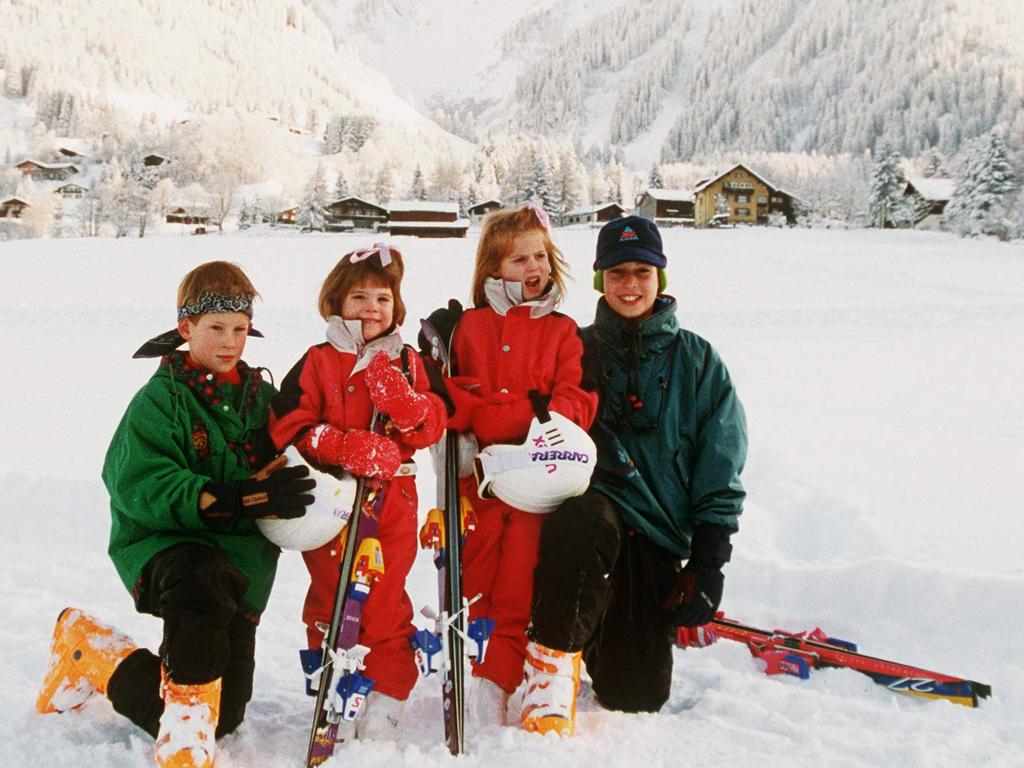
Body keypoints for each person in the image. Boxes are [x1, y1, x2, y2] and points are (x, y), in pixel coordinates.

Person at [36, 261, 316, 768]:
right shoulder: (161, 399)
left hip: (241, 566)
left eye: (240, 329)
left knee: (225, 715)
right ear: (186, 329)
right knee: (200, 581)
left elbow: (295, 447)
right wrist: (236, 496)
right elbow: (134, 482)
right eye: (215, 329)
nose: (230, 342)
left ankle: (89, 651)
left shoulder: (260, 399)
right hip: (163, 546)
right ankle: (183, 743)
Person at [520, 216, 748, 736]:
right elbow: (511, 388)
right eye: (616, 271)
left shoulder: (698, 360)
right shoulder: (573, 347)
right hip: (580, 531)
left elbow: (721, 460)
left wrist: (709, 562)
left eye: (642, 271)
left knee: (636, 695)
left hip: (655, 540)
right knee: (585, 518)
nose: (629, 284)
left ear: (659, 278)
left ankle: (605, 626)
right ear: (601, 280)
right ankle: (551, 660)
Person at [424, 204, 599, 726]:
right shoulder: (468, 329)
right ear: (492, 268)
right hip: (477, 484)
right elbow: (452, 403)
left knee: (523, 575)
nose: (533, 267)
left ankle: (514, 669)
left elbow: (576, 405)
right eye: (519, 258)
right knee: (474, 573)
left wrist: (507, 418)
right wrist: (523, 407)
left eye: (540, 256)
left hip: (535, 478)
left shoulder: (565, 331)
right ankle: (479, 668)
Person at [269, 244, 447, 738]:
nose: (371, 308)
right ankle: (335, 684)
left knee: (384, 596)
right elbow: (289, 421)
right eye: (359, 296)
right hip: (332, 500)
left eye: (383, 298)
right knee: (331, 593)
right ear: (335, 301)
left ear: (397, 307)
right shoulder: (317, 361)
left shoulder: (407, 360)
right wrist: (336, 443)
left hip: (393, 499)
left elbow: (434, 421)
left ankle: (388, 693)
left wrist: (409, 408)